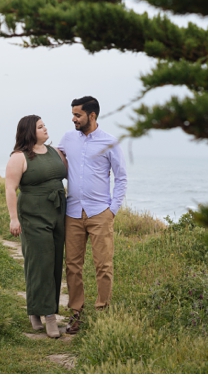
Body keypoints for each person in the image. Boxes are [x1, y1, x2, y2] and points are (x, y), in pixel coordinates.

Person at [57, 96, 128, 335]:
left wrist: (112, 210)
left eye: (78, 115)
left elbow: (121, 178)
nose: (74, 119)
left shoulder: (110, 142)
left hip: (100, 213)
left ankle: (102, 312)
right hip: (73, 212)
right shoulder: (67, 139)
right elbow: (55, 162)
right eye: (73, 114)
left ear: (92, 115)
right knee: (73, 265)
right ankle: (76, 313)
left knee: (103, 265)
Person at [5, 114, 67, 339]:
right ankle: (48, 315)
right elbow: (10, 189)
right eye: (41, 127)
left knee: (55, 262)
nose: (45, 129)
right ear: (30, 131)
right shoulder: (19, 157)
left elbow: (69, 174)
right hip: (33, 214)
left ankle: (36, 310)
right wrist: (14, 218)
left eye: (45, 125)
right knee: (40, 261)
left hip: (58, 213)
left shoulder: (55, 152)